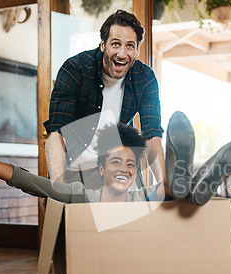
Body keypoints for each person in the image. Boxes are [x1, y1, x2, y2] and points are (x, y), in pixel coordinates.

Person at [0, 112, 231, 205]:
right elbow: (19, 177)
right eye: (116, 162)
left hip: (159, 204)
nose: (124, 169)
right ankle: (187, 182)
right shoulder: (79, 195)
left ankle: (187, 180)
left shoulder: (141, 193)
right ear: (100, 167)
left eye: (131, 164)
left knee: (172, 190)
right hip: (160, 203)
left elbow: (157, 187)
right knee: (176, 190)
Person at [43, 9, 165, 190]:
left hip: (118, 165)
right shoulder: (75, 69)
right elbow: (57, 134)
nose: (122, 54)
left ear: (138, 50)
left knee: (132, 214)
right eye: (116, 44)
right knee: (65, 215)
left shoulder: (145, 77)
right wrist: (57, 187)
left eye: (130, 46)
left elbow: (152, 137)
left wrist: (165, 186)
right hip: (76, 165)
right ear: (103, 45)